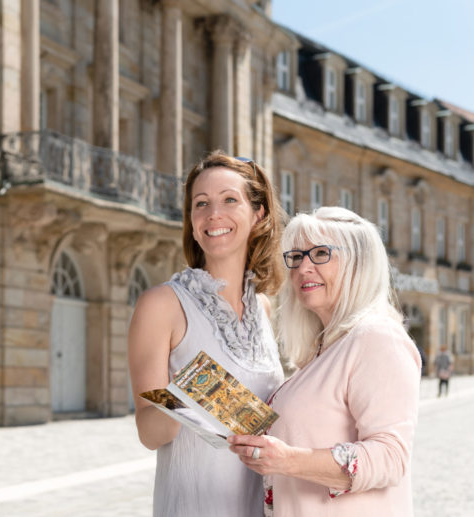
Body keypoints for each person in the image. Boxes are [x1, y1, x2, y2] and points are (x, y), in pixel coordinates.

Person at [228, 207, 421, 516]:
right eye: (296, 256)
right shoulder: (324, 348)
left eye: (320, 253)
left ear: (359, 262)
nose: (303, 267)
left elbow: (390, 457)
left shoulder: (377, 338)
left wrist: (288, 460)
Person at [128, 151, 285, 517]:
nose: (214, 214)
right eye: (201, 203)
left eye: (230, 199)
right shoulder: (161, 305)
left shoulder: (264, 308)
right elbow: (149, 434)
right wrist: (191, 391)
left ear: (258, 213)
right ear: (192, 221)